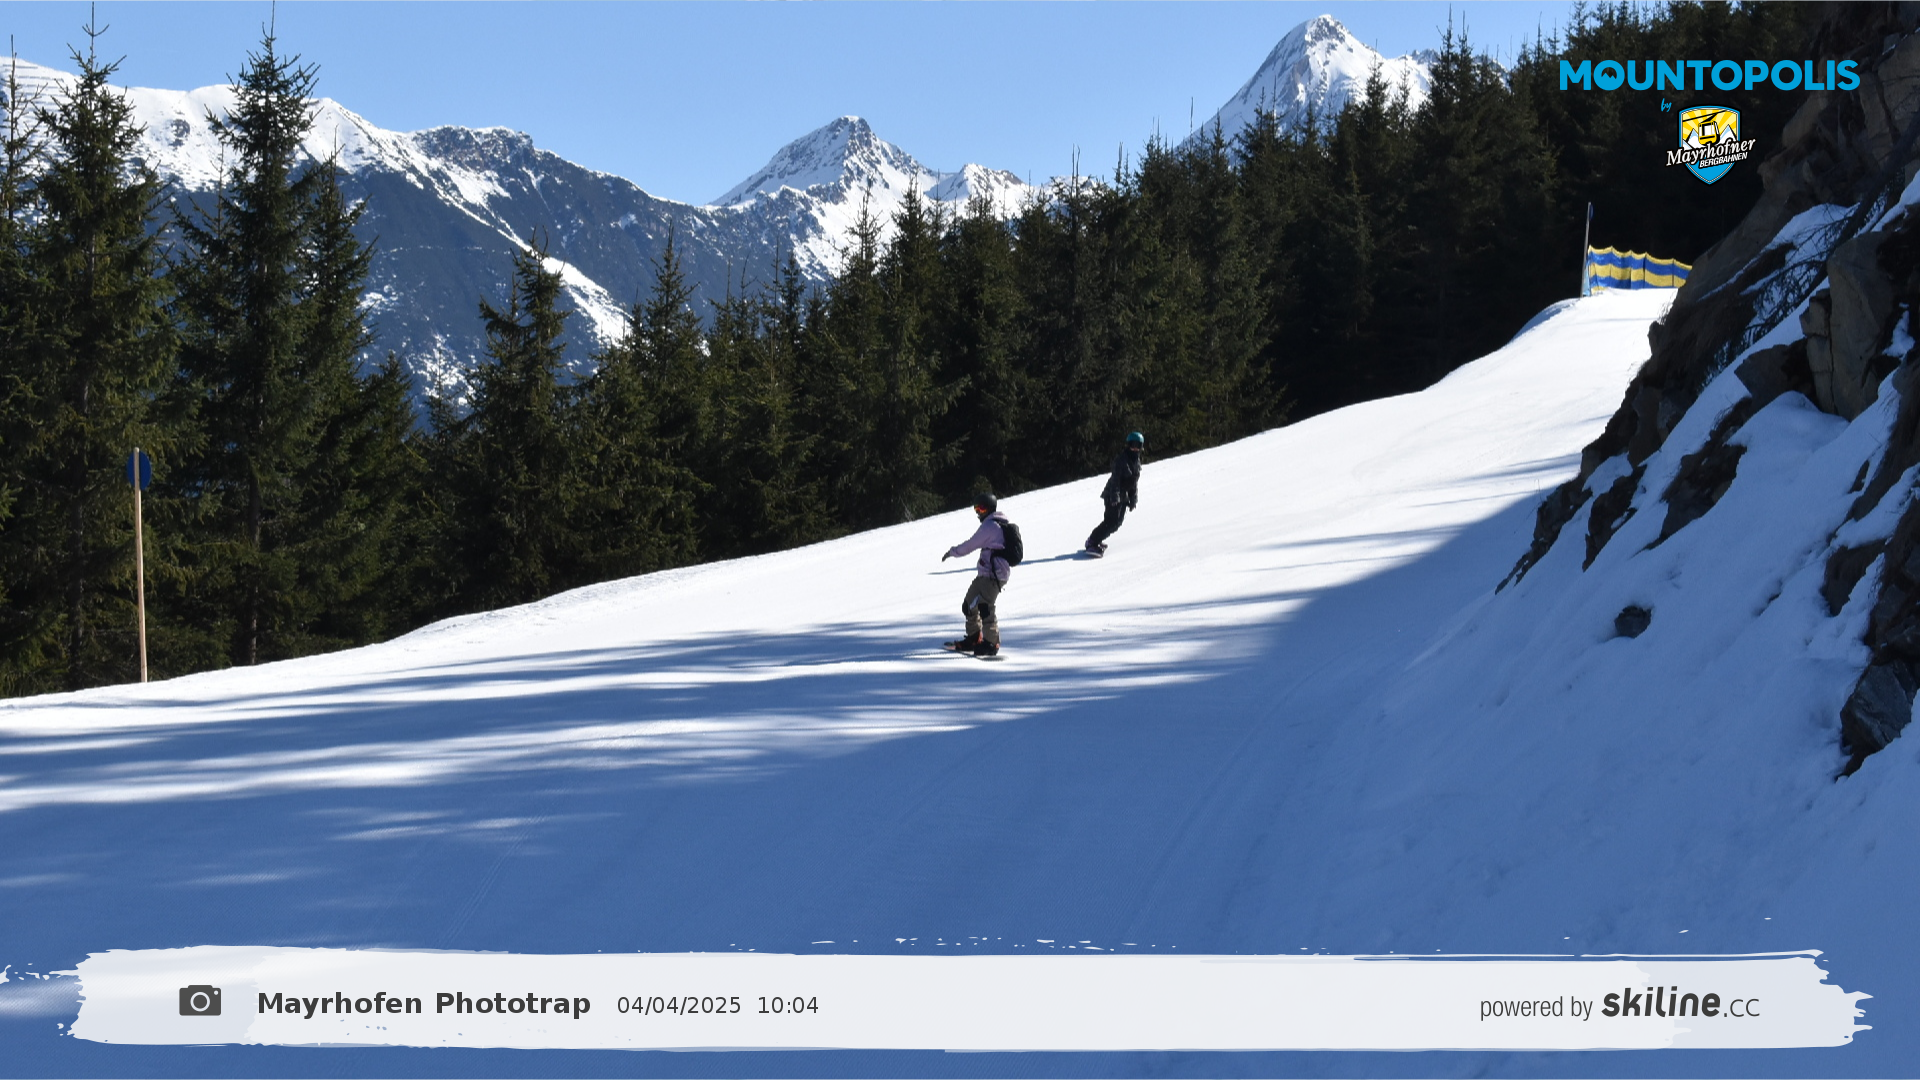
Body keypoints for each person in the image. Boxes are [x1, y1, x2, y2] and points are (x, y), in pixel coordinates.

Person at [942, 493, 1010, 657]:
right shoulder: (992, 524)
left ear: (990, 508)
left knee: (985, 607)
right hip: (986, 573)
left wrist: (953, 552)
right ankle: (974, 638)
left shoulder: (991, 526)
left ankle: (991, 643)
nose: (979, 512)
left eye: (982, 508)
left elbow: (971, 545)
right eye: (976, 509)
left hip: (994, 575)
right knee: (969, 605)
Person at [1084, 431, 1145, 555]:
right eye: (1132, 445)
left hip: (1123, 496)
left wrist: (1133, 499)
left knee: (1117, 523)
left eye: (1138, 445)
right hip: (1112, 495)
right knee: (1111, 521)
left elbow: (1133, 483)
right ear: (1128, 445)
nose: (1135, 448)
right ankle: (1092, 542)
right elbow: (1115, 480)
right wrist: (1114, 497)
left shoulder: (1136, 462)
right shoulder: (1121, 460)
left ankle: (1097, 539)